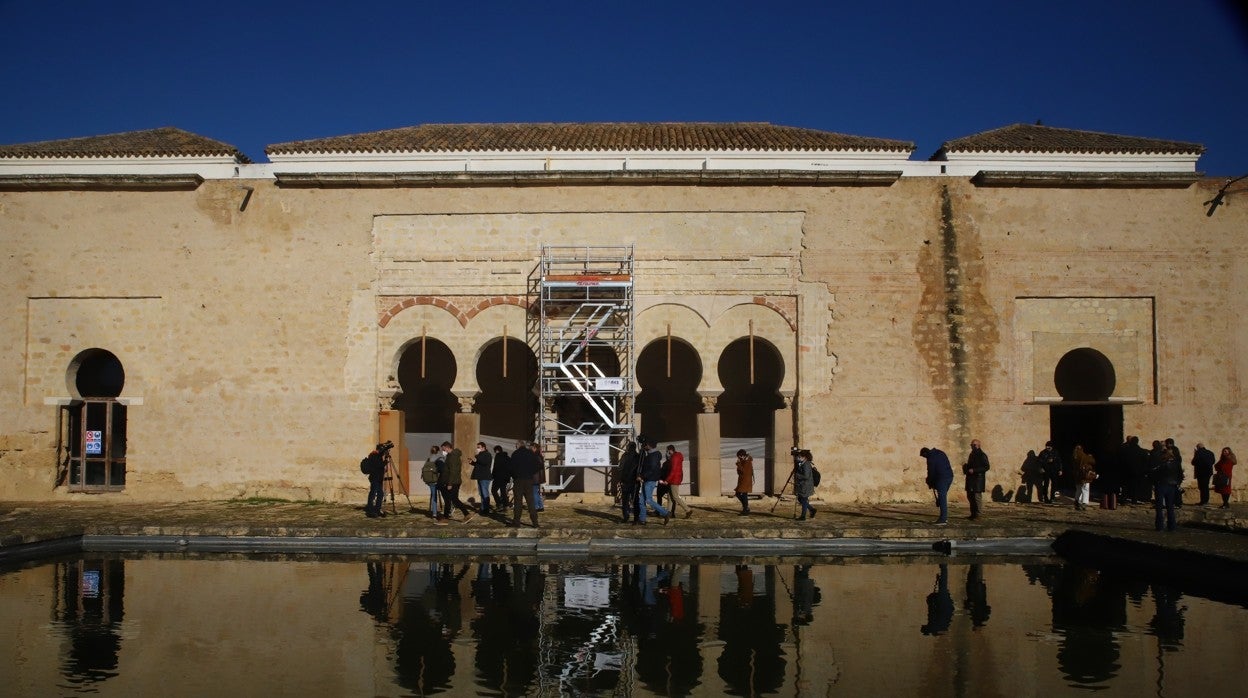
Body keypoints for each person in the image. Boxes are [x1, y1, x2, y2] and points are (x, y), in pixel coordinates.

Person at [436, 441, 474, 524]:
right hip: (453, 481)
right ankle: (463, 515)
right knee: (451, 499)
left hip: (453, 482)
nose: (443, 451)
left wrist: (450, 483)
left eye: (443, 449)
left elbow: (453, 471)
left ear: (447, 447)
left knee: (452, 499)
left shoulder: (453, 456)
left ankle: (465, 515)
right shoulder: (451, 456)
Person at [1151, 440, 1185, 531]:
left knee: (1159, 507)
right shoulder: (1177, 464)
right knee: (1170, 507)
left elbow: (1155, 475)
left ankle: (1160, 526)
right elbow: (1180, 475)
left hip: (1161, 485)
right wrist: (1177, 483)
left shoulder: (1162, 465)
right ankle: (1172, 526)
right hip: (1172, 486)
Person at [638, 439, 672, 525]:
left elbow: (651, 469)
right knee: (641, 501)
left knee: (648, 500)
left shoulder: (653, 456)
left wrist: (642, 476)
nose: (644, 446)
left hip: (650, 480)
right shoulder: (650, 455)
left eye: (645, 445)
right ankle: (642, 519)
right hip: (647, 479)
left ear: (649, 446)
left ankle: (665, 513)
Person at [509, 440, 540, 528]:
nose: (515, 447)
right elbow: (538, 465)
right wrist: (530, 473)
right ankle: (535, 522)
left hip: (518, 480)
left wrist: (514, 475)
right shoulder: (530, 453)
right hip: (529, 480)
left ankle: (516, 522)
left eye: (516, 446)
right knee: (530, 501)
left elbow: (511, 467)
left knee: (518, 501)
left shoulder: (515, 454)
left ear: (518, 446)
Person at [921, 446, 954, 525]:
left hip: (941, 478)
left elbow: (931, 472)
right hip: (949, 476)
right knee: (942, 496)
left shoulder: (930, 458)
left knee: (942, 498)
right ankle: (943, 516)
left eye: (923, 456)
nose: (925, 458)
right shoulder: (940, 452)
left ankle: (943, 519)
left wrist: (930, 482)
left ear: (925, 453)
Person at [661, 445, 693, 519]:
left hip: (673, 480)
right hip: (675, 479)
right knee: (670, 496)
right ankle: (668, 513)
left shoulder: (674, 458)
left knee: (675, 496)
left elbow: (673, 471)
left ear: (670, 450)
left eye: (667, 451)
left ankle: (688, 510)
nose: (667, 452)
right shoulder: (677, 456)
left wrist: (667, 480)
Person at [963, 439, 990, 520]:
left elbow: (986, 467)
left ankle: (978, 515)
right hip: (971, 479)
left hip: (978, 479)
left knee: (977, 497)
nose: (972, 446)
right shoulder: (972, 454)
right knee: (970, 496)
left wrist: (974, 470)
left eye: (973, 445)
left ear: (977, 445)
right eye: (971, 445)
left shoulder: (982, 455)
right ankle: (973, 514)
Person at [1119, 436, 1151, 504]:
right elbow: (1145, 462)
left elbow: (1121, 460)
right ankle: (1134, 500)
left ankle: (1123, 500)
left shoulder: (1125, 450)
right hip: (1137, 472)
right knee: (1135, 487)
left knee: (1125, 486)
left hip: (1126, 471)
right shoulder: (1142, 451)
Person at [618, 441, 641, 523]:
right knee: (635, 500)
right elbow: (640, 469)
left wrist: (620, 479)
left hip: (626, 481)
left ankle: (626, 517)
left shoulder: (625, 456)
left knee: (625, 500)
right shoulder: (638, 457)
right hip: (634, 482)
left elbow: (620, 468)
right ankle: (636, 518)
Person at [362, 445, 387, 518]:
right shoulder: (374, 455)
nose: (383, 453)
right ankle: (370, 511)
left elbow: (379, 467)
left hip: (378, 478)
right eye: (383, 451)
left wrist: (383, 468)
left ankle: (377, 510)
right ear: (380, 450)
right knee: (373, 493)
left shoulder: (377, 456)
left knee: (380, 494)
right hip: (375, 478)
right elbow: (378, 465)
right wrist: (385, 462)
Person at [470, 442, 493, 515]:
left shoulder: (487, 454)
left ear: (483, 447)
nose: (477, 449)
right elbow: (479, 464)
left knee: (485, 493)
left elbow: (484, 462)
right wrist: (472, 462)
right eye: (477, 447)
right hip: (480, 476)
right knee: (481, 493)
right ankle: (483, 508)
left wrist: (476, 456)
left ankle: (486, 509)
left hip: (485, 477)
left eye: (479, 447)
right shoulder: (480, 455)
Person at [793, 449, 817, 521]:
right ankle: (812, 509)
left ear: (804, 457)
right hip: (804, 485)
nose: (798, 458)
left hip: (805, 486)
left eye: (799, 456)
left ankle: (803, 516)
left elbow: (806, 476)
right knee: (801, 499)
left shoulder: (806, 465)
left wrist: (797, 475)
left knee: (803, 499)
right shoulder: (803, 463)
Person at [1036, 440, 1063, 504]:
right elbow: (1039, 462)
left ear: (1052, 447)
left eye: (1049, 447)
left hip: (1054, 470)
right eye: (1047, 446)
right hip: (1046, 471)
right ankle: (1045, 498)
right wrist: (1041, 467)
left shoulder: (1055, 452)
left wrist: (1060, 470)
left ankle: (1052, 498)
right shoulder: (1043, 453)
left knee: (1054, 484)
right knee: (1046, 484)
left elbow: (1059, 461)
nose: (1048, 448)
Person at [1071, 445, 1097, 511]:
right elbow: (1093, 461)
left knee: (1078, 489)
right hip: (1084, 476)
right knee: (1085, 489)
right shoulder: (1084, 456)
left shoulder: (1074, 457)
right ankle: (1084, 503)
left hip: (1077, 476)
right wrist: (1090, 457)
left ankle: (1077, 501)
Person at [420, 444, 442, 519]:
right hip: (438, 479)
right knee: (445, 495)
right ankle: (440, 512)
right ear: (438, 450)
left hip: (429, 480)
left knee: (433, 495)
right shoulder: (440, 457)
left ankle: (434, 512)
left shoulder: (429, 458)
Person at [490, 445, 512, 510]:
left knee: (493, 490)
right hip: (505, 477)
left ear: (497, 450)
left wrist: (492, 475)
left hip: (498, 477)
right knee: (503, 491)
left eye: (495, 451)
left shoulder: (498, 456)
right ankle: (506, 505)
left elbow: (495, 467)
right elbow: (510, 468)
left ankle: (499, 504)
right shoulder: (507, 457)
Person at [734, 450, 754, 515]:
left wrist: (738, 464)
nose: (738, 458)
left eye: (739, 456)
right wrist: (739, 465)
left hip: (745, 480)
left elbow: (743, 471)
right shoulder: (744, 460)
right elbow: (739, 472)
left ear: (742, 455)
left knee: (743, 494)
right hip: (743, 480)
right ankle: (746, 507)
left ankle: (746, 509)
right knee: (738, 494)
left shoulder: (747, 461)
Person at [529, 441, 546, 512]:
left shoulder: (535, 456)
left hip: (535, 478)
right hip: (537, 477)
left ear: (534, 448)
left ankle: (536, 507)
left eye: (531, 448)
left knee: (534, 492)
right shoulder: (538, 455)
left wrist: (531, 471)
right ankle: (540, 506)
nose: (530, 449)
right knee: (536, 492)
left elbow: (538, 466)